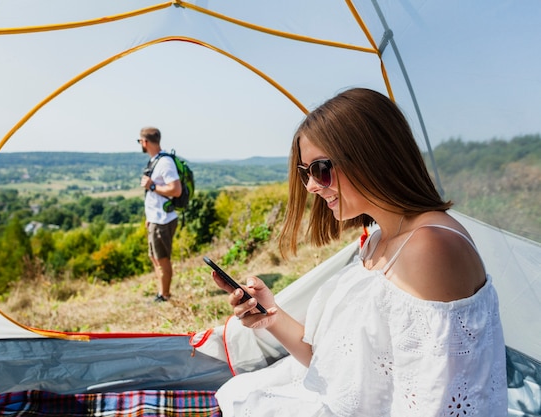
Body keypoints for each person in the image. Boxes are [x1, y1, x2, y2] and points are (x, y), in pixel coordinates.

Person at [212, 88, 507, 416]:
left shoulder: (430, 248)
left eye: (320, 169)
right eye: (304, 172)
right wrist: (272, 315)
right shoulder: (378, 241)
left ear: (371, 155)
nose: (310, 185)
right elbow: (334, 370)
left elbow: (436, 406)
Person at [138, 126, 182, 302]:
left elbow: (176, 190)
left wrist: (153, 186)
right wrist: (149, 218)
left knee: (162, 259)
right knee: (154, 256)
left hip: (163, 220)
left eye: (140, 141)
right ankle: (161, 291)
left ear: (145, 142)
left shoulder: (164, 162)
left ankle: (164, 296)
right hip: (156, 219)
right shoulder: (156, 160)